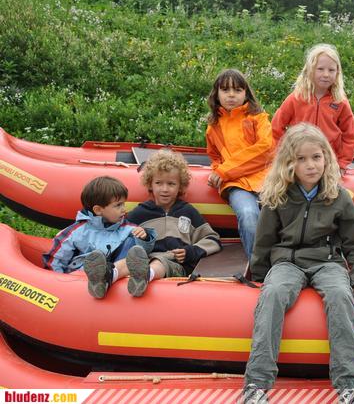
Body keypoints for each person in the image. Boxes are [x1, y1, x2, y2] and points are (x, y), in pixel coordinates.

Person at [242, 123, 354, 404]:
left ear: (326, 158)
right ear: (289, 163)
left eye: (316, 157)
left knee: (340, 296)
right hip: (287, 262)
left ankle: (348, 385)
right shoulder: (278, 196)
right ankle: (256, 385)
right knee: (273, 295)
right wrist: (260, 276)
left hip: (327, 262)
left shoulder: (338, 196)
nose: (311, 165)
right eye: (301, 159)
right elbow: (263, 240)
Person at [126, 149, 222, 296]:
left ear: (180, 186)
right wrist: (136, 235)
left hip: (175, 265)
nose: (165, 189)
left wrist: (190, 252)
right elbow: (121, 235)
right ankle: (110, 274)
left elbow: (212, 239)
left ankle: (144, 276)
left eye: (171, 184)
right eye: (159, 183)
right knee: (128, 262)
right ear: (150, 184)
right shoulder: (140, 213)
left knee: (160, 262)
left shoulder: (188, 212)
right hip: (143, 260)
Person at [42, 176, 155, 299]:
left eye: (124, 204)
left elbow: (141, 254)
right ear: (98, 210)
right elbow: (56, 258)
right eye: (118, 205)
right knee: (94, 258)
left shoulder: (127, 228)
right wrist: (58, 284)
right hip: (82, 276)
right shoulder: (77, 231)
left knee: (131, 241)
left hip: (117, 274)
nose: (124, 209)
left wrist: (144, 238)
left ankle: (111, 278)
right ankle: (99, 278)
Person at [205, 68, 273, 258]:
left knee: (281, 216)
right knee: (248, 214)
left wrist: (223, 171)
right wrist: (216, 171)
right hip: (236, 185)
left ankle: (286, 263)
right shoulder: (213, 127)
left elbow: (266, 149)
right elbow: (215, 157)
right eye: (225, 90)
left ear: (246, 93)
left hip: (266, 181)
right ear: (217, 93)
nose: (231, 95)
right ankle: (258, 266)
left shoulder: (259, 119)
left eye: (237, 90)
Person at [271, 43, 354, 172]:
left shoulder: (340, 101)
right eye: (320, 69)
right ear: (310, 70)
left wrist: (342, 163)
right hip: (299, 160)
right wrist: (282, 156)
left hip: (329, 163)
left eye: (331, 70)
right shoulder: (296, 98)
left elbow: (350, 136)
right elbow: (276, 128)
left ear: (337, 73)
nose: (326, 74)